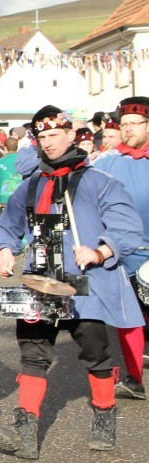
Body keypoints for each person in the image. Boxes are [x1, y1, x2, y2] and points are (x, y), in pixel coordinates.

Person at [0, 104, 142, 457]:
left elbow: (127, 227)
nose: (49, 143)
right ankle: (25, 429)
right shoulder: (29, 187)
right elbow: (9, 226)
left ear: (71, 135)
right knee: (33, 350)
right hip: (42, 280)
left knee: (94, 350)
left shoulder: (101, 182)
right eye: (42, 137)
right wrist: (2, 250)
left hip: (85, 281)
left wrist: (100, 251)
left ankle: (104, 413)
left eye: (55, 135)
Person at [89, 97, 149, 400]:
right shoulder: (109, 161)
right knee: (128, 315)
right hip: (121, 250)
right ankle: (134, 379)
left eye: (134, 124)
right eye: (123, 125)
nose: (127, 130)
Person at [0, 137, 22, 231]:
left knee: (7, 224)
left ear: (5, 148)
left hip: (5, 199)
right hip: (21, 197)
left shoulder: (0, 162)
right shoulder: (23, 161)